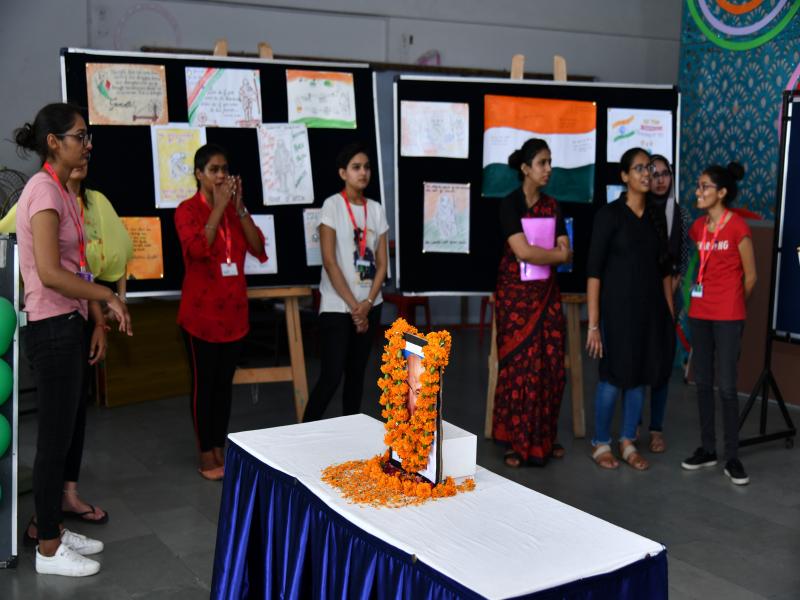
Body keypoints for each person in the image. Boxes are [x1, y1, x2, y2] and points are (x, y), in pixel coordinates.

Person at [14, 103, 132, 576]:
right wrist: (108, 296)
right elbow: (49, 272)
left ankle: (53, 527)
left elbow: (77, 267)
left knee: (65, 437)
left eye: (87, 136)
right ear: (53, 142)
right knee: (53, 441)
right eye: (79, 136)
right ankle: (47, 548)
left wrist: (96, 315)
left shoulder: (63, 191)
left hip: (70, 322)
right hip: (51, 327)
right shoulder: (43, 190)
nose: (87, 145)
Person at [174, 143, 267, 481]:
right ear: (199, 174)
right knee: (205, 387)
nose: (220, 175)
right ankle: (205, 452)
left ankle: (218, 445)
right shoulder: (186, 210)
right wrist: (218, 208)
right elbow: (199, 249)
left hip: (234, 315)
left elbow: (258, 249)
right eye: (213, 170)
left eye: (224, 169)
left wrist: (238, 209)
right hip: (200, 318)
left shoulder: (233, 211)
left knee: (224, 387)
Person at [586, 147, 674, 471]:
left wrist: (668, 314)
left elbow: (664, 271)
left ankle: (627, 441)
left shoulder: (655, 217)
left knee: (640, 378)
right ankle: (601, 443)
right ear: (624, 176)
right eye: (639, 168)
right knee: (612, 378)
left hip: (649, 314)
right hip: (616, 314)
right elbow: (594, 272)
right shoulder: (609, 215)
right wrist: (594, 324)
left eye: (649, 168)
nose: (646, 174)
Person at [492, 138, 572, 468]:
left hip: (547, 296)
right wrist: (554, 254)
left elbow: (567, 252)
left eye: (550, 162)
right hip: (515, 298)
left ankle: (543, 438)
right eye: (542, 163)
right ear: (526, 168)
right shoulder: (509, 204)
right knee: (519, 367)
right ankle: (515, 441)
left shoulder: (553, 205)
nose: (548, 169)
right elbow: (523, 251)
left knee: (550, 367)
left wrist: (551, 255)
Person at [681, 162, 756, 486]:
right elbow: (698, 267)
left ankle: (732, 457)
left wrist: (733, 303)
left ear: (721, 192)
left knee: (726, 387)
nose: (698, 192)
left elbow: (751, 277)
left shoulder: (738, 227)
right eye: (698, 186)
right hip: (700, 313)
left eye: (704, 186)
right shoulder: (698, 227)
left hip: (728, 316)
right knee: (703, 383)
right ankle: (708, 448)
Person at [302, 142, 388, 422]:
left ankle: (350, 434)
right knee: (332, 375)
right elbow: (330, 261)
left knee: (357, 375)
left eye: (367, 167)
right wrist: (355, 307)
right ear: (343, 173)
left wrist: (367, 303)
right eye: (356, 167)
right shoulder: (332, 206)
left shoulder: (376, 209)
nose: (363, 173)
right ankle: (304, 431)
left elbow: (383, 263)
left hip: (370, 304)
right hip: (338, 306)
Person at [643, 154, 691, 453]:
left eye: (665, 174)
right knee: (637, 362)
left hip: (670, 295)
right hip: (639, 295)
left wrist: (671, 287)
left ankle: (656, 428)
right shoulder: (639, 210)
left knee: (661, 366)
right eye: (654, 174)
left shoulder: (680, 213)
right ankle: (633, 425)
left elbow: (683, 258)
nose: (660, 180)